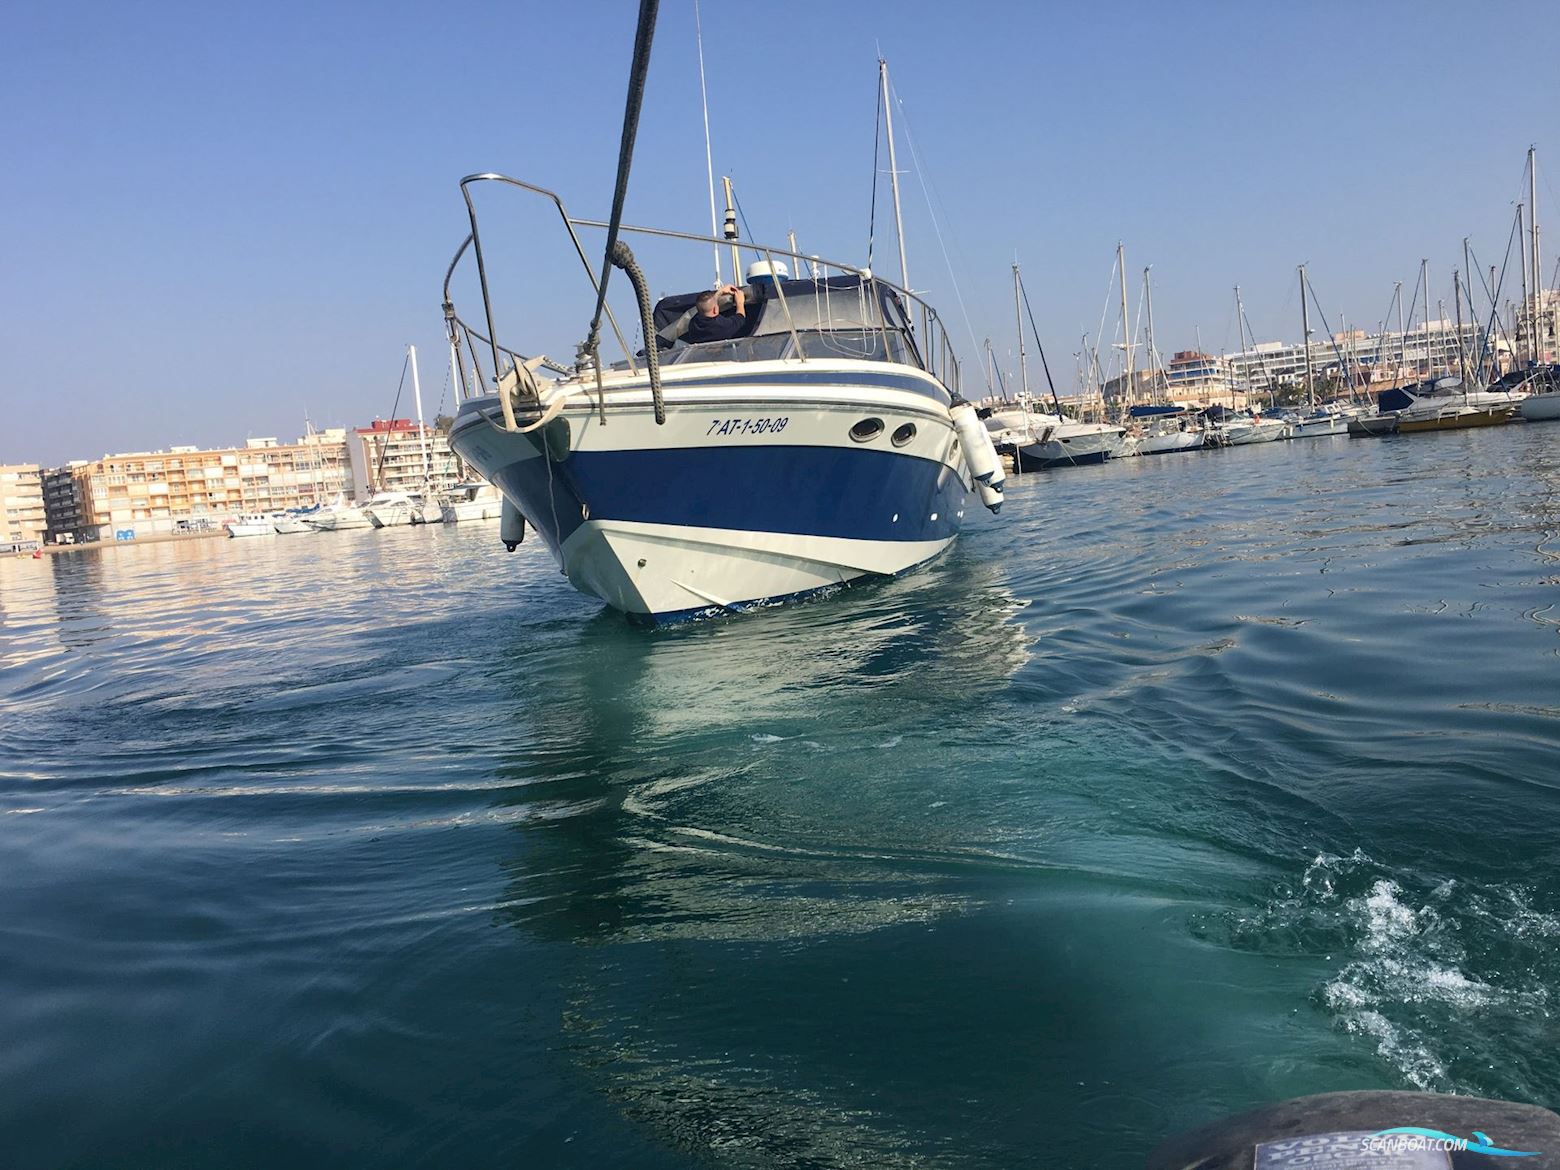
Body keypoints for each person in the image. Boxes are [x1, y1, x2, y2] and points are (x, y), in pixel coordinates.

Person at [681, 283, 746, 345]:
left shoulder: (693, 324)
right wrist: (740, 302)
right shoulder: (721, 326)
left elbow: (704, 307)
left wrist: (720, 292)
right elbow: (740, 317)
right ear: (715, 310)